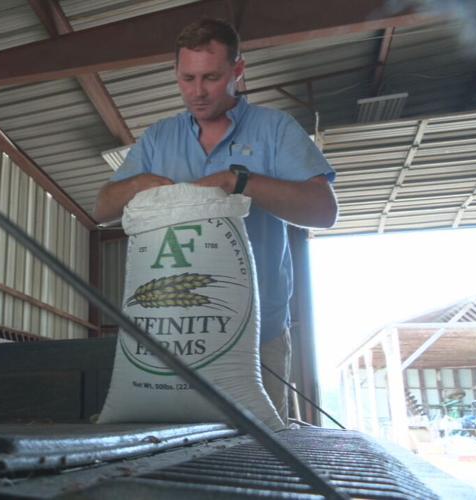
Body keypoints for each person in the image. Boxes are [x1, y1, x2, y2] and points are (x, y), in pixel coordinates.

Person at [94, 18, 338, 422]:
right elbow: (101, 209)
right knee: (169, 452)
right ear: (175, 72)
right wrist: (139, 182)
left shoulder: (274, 130)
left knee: (258, 460)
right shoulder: (158, 138)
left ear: (237, 70)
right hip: (172, 337)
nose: (197, 91)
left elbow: (324, 211)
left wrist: (240, 180)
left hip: (259, 334)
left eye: (211, 77)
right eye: (187, 78)